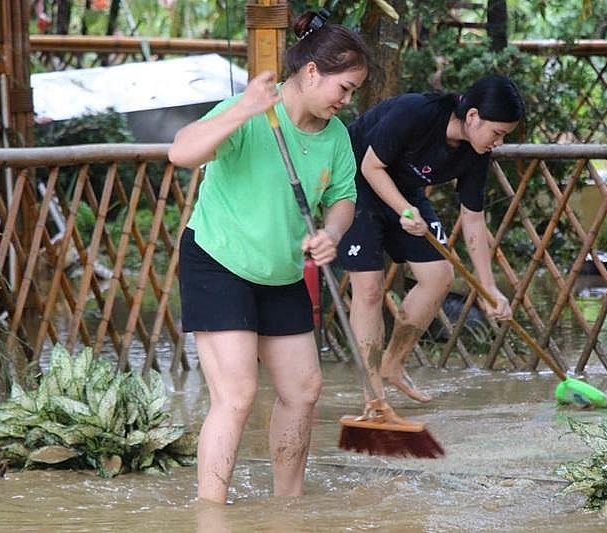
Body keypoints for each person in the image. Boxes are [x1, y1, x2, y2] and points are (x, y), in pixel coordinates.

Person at [169, 9, 370, 504]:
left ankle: (288, 506)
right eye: (343, 88)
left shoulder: (337, 136)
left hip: (280, 272)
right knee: (236, 397)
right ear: (310, 72)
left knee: (304, 390)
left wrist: (331, 232)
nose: (346, 101)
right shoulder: (250, 110)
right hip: (219, 260)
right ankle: (210, 511)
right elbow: (181, 153)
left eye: (352, 93)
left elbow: (343, 198)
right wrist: (243, 109)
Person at [336, 75, 525, 405]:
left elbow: (474, 218)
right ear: (472, 116)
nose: (499, 143)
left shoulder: (477, 153)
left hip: (404, 192)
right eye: (497, 133)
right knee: (368, 288)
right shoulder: (416, 111)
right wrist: (405, 211)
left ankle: (392, 364)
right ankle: (373, 395)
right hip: (354, 184)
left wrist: (489, 288)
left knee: (440, 276)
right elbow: (371, 166)